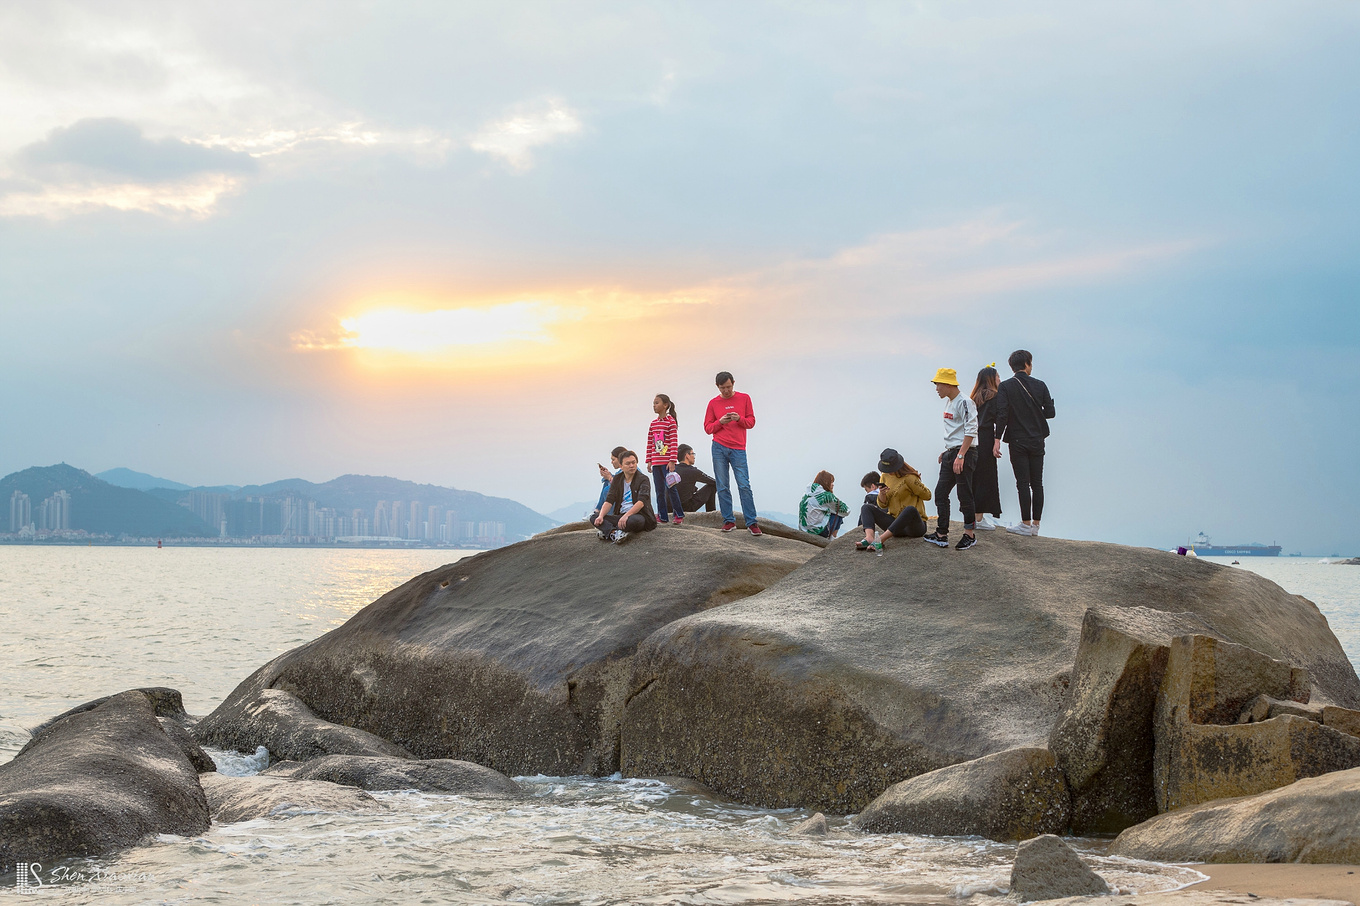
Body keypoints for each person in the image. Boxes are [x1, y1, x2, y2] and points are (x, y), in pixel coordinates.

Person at [994, 349, 1055, 537]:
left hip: (1017, 440)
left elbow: (1002, 414)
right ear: (1027, 364)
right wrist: (1036, 414)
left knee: (1022, 483)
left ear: (1012, 367)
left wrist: (997, 440)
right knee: (1037, 483)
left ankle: (1025, 524)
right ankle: (1036, 525)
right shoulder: (1040, 385)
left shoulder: (1005, 387)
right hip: (1037, 439)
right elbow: (1050, 413)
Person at [923, 368, 979, 551]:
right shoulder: (950, 402)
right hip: (952, 452)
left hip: (964, 453)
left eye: (938, 384)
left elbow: (971, 430)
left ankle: (969, 535)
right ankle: (941, 534)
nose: (936, 388)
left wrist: (961, 454)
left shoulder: (965, 402)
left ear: (948, 384)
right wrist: (947, 451)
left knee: (964, 495)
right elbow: (957, 430)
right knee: (940, 493)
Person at [703, 371, 761, 535]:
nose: (726, 391)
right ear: (717, 387)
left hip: (738, 448)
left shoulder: (744, 398)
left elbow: (751, 422)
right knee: (722, 486)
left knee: (744, 485)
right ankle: (728, 521)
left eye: (728, 387)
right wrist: (720, 422)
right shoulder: (713, 403)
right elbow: (708, 428)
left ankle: (752, 522)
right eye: (723, 388)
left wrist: (739, 419)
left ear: (733, 383)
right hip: (719, 447)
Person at [855, 449, 931, 551]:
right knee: (866, 508)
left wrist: (917, 484)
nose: (888, 471)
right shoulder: (884, 476)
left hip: (913, 527)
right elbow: (883, 505)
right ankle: (869, 537)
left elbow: (928, 496)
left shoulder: (909, 478)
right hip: (895, 524)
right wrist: (882, 493)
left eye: (890, 468)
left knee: (910, 510)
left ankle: (880, 540)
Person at [592, 450, 657, 544]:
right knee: (594, 517)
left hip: (638, 516)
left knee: (634, 521)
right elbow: (609, 500)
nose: (632, 465)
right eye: (628, 463)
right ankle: (613, 533)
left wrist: (627, 516)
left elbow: (641, 502)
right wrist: (601, 516)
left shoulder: (643, 479)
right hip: (620, 516)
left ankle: (607, 530)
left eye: (633, 462)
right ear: (621, 466)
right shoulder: (617, 479)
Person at [970, 365, 1005, 531]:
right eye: (997, 376)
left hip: (971, 439)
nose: (999, 379)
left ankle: (973, 516)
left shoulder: (973, 399)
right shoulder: (996, 397)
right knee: (986, 477)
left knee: (974, 477)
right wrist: (998, 440)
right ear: (991, 379)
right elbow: (1001, 419)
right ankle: (979, 518)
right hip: (986, 439)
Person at [644, 394, 686, 525]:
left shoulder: (670, 422)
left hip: (667, 463)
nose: (654, 406)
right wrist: (649, 460)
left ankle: (679, 514)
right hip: (656, 463)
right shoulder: (653, 423)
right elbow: (650, 443)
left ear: (665, 405)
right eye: (653, 403)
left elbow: (674, 442)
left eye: (657, 403)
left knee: (671, 489)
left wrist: (672, 460)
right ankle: (662, 516)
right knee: (659, 491)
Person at [798, 471, 849, 538]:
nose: (833, 485)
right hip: (819, 532)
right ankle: (833, 537)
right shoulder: (826, 495)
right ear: (826, 482)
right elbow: (846, 510)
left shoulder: (806, 494)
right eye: (831, 482)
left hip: (804, 530)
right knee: (838, 511)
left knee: (832, 509)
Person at [674, 444, 717, 512]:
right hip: (685, 508)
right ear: (687, 456)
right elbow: (714, 482)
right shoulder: (692, 471)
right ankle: (711, 513)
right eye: (692, 454)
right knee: (712, 487)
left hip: (670, 508)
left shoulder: (672, 469)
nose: (694, 457)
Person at [595, 446, 628, 511]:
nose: (612, 462)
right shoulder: (620, 471)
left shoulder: (628, 469)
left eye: (613, 460)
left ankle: (609, 515)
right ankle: (597, 510)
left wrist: (610, 477)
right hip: (621, 494)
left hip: (626, 498)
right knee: (606, 482)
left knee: (607, 490)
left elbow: (624, 487)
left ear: (620, 459)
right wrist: (607, 475)